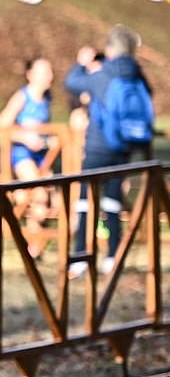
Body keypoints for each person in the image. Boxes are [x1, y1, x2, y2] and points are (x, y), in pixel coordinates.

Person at [65, 25, 154, 277]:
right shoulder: (137, 74)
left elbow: (72, 83)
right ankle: (113, 257)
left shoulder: (104, 74)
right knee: (112, 202)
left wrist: (81, 64)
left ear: (111, 49)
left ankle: (81, 256)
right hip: (124, 146)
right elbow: (148, 95)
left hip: (97, 146)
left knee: (85, 201)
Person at [0, 58, 57, 258]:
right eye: (44, 72)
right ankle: (31, 245)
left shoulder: (47, 98)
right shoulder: (22, 97)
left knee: (54, 196)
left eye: (50, 72)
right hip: (22, 154)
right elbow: (1, 125)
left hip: (41, 156)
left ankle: (35, 245)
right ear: (30, 75)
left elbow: (42, 130)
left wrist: (50, 140)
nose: (49, 76)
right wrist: (25, 138)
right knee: (38, 193)